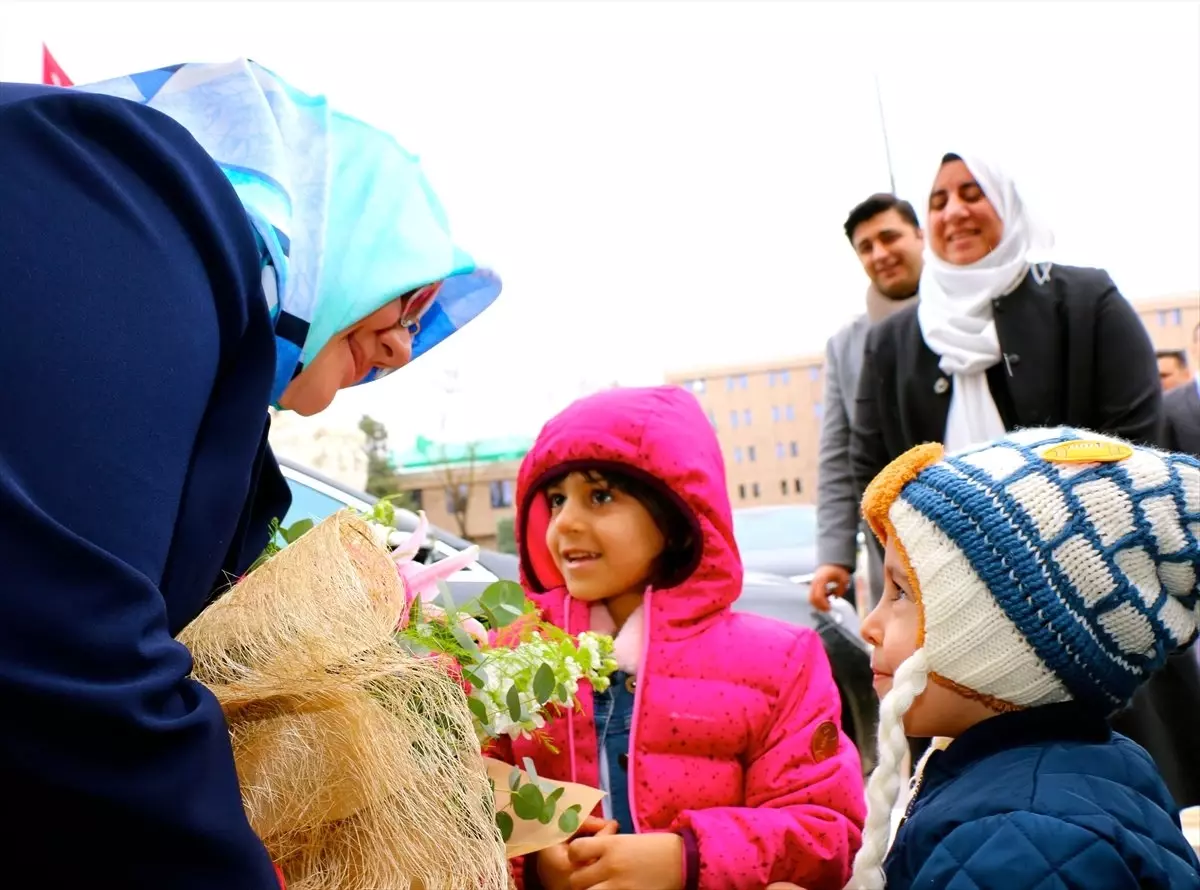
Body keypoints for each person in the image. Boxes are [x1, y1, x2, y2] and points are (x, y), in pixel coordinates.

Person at [0, 59, 499, 888]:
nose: (403, 348)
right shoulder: (131, 195)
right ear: (337, 227)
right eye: (404, 299)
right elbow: (65, 645)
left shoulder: (185, 309)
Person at [496, 385, 866, 890]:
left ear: (675, 514)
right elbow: (456, 804)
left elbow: (827, 833)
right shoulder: (508, 658)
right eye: (556, 500)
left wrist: (687, 858)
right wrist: (534, 860)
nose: (566, 523)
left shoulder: (779, 661)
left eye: (600, 496)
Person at [850, 427, 1200, 889]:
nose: (868, 626)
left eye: (901, 592)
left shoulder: (1017, 838)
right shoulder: (1069, 777)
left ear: (1002, 645)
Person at [811, 193, 923, 616]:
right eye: (866, 247)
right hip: (895, 553)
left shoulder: (971, 319)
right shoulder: (845, 346)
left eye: (889, 237)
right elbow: (838, 457)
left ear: (920, 235)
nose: (880, 254)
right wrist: (834, 555)